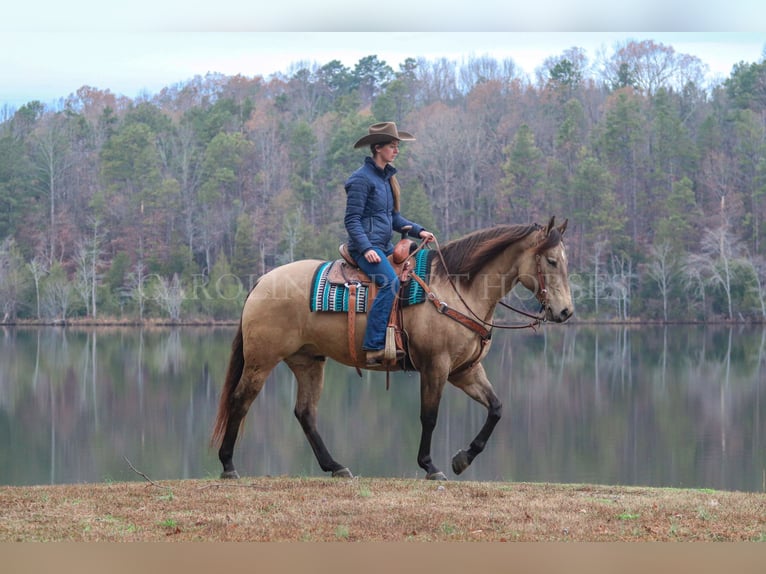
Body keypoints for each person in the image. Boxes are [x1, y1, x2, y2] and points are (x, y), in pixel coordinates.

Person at [344, 122, 435, 366]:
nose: (396, 151)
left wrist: (419, 230)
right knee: (390, 283)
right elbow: (352, 221)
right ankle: (374, 345)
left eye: (397, 146)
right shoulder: (361, 180)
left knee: (416, 274)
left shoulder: (385, 179)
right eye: (392, 146)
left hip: (383, 246)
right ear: (377, 148)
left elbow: (392, 218)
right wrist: (366, 249)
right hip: (365, 248)